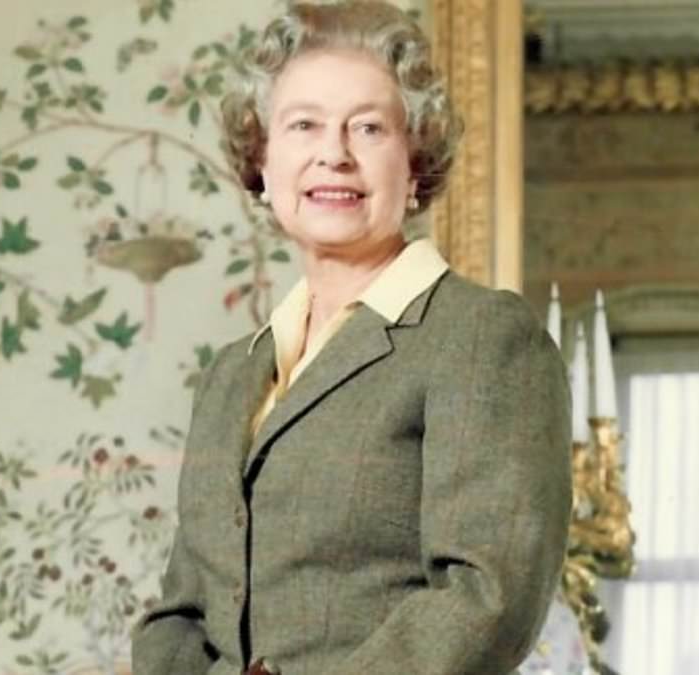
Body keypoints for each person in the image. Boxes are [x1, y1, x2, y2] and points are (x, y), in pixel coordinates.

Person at [131, 2, 572, 674]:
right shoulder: (231, 374)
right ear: (263, 160)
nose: (332, 154)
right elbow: (184, 609)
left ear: (416, 161)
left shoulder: (482, 337)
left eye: (368, 128)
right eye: (303, 124)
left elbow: (488, 596)